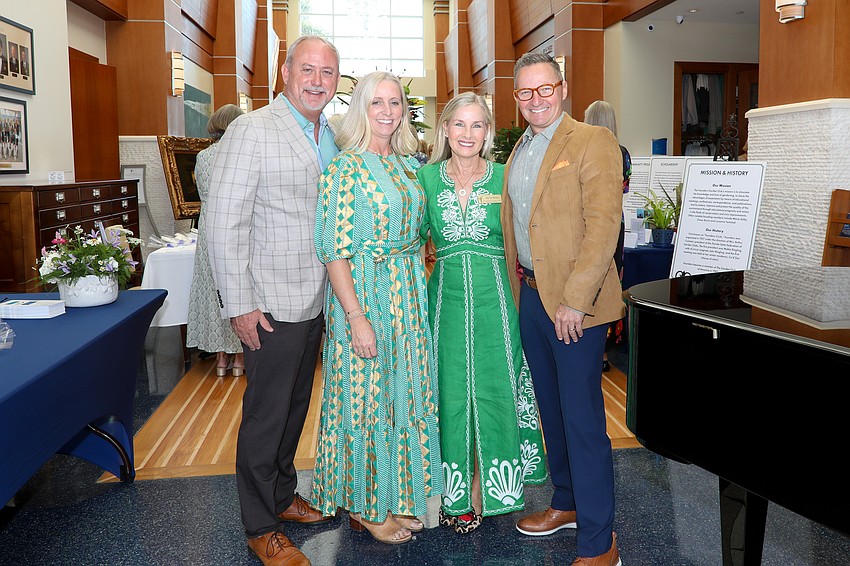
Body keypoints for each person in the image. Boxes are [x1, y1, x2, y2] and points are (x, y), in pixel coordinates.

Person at [206, 35, 342, 566]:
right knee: (265, 416)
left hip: (316, 301)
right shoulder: (252, 129)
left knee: (294, 409)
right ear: (285, 72)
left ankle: (283, 496)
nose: (316, 80)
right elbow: (223, 222)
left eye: (327, 73)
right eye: (307, 69)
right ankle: (260, 525)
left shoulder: (327, 134)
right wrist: (239, 302)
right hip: (268, 301)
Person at [502, 52, 625, 566]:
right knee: (551, 412)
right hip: (531, 297)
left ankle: (600, 543)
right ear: (516, 98)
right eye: (526, 93)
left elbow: (603, 229)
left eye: (544, 89)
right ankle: (567, 502)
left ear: (563, 87)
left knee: (582, 421)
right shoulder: (520, 149)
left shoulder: (593, 141)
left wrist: (575, 300)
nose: (536, 100)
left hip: (576, 305)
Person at [311, 71, 443, 545]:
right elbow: (332, 249)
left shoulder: (407, 165)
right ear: (360, 110)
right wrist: (355, 316)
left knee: (402, 397)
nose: (387, 111)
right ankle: (367, 507)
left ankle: (394, 497)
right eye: (376, 103)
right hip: (363, 296)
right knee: (367, 402)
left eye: (395, 102)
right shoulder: (345, 169)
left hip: (407, 294)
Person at [417, 92, 547, 535]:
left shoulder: (505, 178)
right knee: (451, 391)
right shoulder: (425, 180)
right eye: (459, 125)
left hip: (498, 304)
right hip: (445, 305)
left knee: (494, 389)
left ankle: (481, 489)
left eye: (476, 126)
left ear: (487, 132)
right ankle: (449, 493)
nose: (467, 134)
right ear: (446, 130)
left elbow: (532, 231)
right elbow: (410, 240)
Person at [186, 103, 245, 377]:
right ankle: (239, 359)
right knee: (238, 288)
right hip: (235, 222)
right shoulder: (240, 154)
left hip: (208, 224)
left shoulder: (203, 157)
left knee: (212, 291)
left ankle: (220, 360)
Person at [583, 100, 631, 372]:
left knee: (592, 282)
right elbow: (624, 188)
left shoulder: (585, 152)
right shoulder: (622, 153)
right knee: (612, 283)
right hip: (617, 224)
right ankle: (606, 352)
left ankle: (590, 347)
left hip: (590, 223)